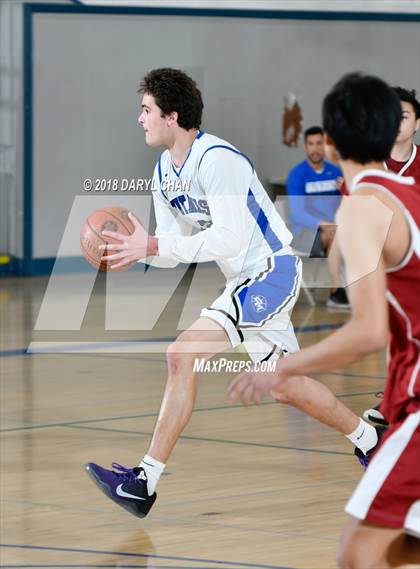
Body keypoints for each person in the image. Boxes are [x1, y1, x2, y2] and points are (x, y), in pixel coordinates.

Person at [85, 68, 378, 519]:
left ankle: (144, 482)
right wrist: (139, 251)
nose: (140, 119)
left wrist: (156, 245)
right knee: (285, 386)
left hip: (270, 271)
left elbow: (225, 240)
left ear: (172, 115)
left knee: (181, 355)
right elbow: (174, 245)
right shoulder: (165, 171)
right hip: (247, 278)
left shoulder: (219, 160)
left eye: (146, 110)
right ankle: (370, 441)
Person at [229, 72, 420, 569]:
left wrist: (283, 368)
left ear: (330, 143)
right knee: (380, 549)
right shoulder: (405, 194)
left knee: (357, 556)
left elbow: (368, 331)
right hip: (407, 390)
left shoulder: (363, 209)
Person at [363, 86, 420, 427]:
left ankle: (396, 399)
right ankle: (396, 398)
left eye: (405, 116)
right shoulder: (369, 166)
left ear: (417, 123)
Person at [286, 126, 347, 309]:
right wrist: (325, 224)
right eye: (311, 144)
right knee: (335, 234)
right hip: (304, 235)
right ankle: (336, 293)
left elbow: (346, 205)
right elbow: (298, 214)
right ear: (305, 147)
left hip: (333, 231)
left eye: (319, 143)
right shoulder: (297, 175)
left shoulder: (335, 172)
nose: (315, 149)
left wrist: (346, 189)